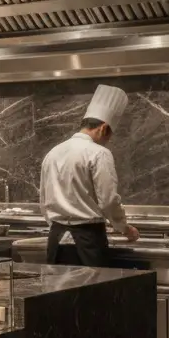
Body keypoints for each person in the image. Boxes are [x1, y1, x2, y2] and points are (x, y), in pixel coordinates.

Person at [39, 83, 140, 267]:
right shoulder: (99, 153)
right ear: (103, 128)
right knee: (92, 285)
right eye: (109, 136)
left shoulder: (53, 152)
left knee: (56, 285)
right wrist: (123, 227)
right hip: (87, 240)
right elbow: (108, 201)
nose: (107, 141)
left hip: (56, 239)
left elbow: (43, 200)